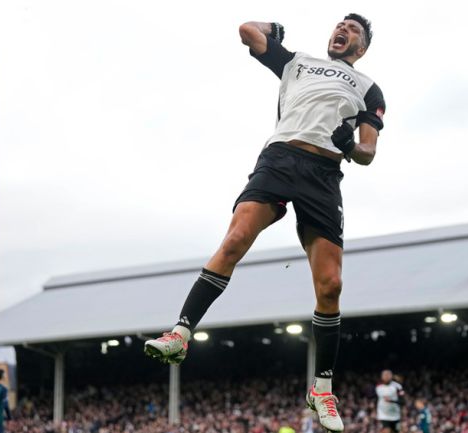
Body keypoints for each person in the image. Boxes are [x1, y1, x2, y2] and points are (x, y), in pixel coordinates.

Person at [144, 13, 385, 433]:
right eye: (340, 26)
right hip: (279, 159)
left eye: (353, 31)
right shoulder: (296, 62)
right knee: (236, 238)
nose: (342, 31)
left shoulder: (368, 88)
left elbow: (368, 150)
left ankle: (322, 388)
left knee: (331, 285)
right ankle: (180, 334)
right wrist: (272, 28)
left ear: (361, 49)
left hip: (323, 175)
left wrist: (350, 147)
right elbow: (247, 31)